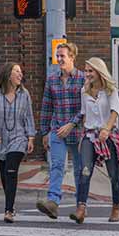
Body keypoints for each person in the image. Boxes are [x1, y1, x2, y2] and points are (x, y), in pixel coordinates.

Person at [69, 57, 119, 224]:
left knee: (113, 173)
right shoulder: (84, 91)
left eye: (91, 71)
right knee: (85, 171)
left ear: (99, 71)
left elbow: (115, 111)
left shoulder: (111, 90)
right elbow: (84, 114)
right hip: (90, 136)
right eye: (86, 70)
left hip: (108, 136)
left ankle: (116, 208)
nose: (87, 74)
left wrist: (106, 128)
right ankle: (81, 209)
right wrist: (83, 135)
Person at [36, 42, 85, 219]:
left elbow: (86, 107)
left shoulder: (83, 79)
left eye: (62, 56)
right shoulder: (52, 80)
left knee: (80, 169)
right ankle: (53, 202)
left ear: (72, 57)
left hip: (78, 132)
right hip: (57, 131)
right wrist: (44, 132)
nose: (59, 59)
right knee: (56, 165)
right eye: (57, 56)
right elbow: (46, 107)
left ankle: (81, 206)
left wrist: (72, 123)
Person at [0, 62, 36, 223]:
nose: (20, 74)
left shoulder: (24, 94)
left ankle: (9, 210)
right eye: (17, 72)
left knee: (11, 171)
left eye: (21, 72)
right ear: (8, 75)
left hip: (18, 138)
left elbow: (28, 116)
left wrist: (31, 137)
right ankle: (10, 204)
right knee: (4, 175)